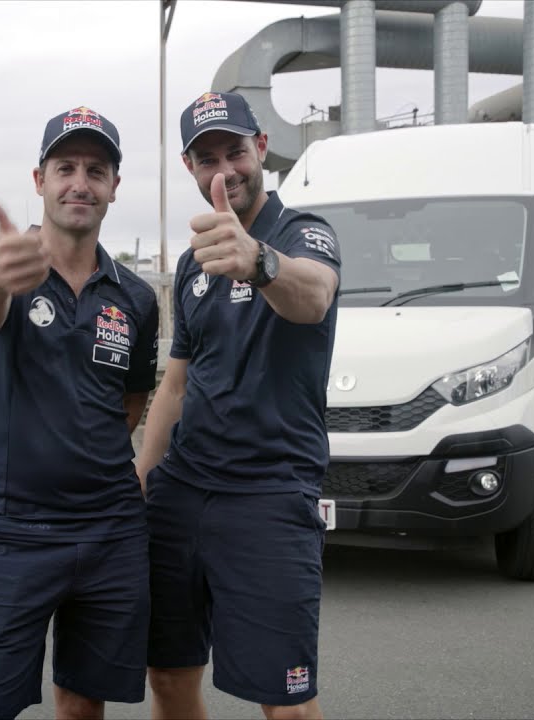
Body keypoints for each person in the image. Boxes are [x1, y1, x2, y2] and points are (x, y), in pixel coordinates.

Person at [136, 91, 342, 720]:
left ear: (261, 148)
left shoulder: (304, 234)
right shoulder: (195, 267)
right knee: (169, 677)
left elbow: (313, 297)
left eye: (235, 151)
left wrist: (259, 261)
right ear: (188, 167)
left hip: (270, 496)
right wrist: (142, 481)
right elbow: (174, 386)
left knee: (287, 703)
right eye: (206, 159)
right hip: (183, 492)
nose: (224, 170)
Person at [0, 105, 160, 720]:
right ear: (39, 180)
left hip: (113, 531)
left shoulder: (137, 297)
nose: (80, 183)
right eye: (64, 167)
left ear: (114, 188)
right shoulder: (3, 277)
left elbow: (132, 397)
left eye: (96, 171)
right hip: (16, 531)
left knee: (82, 700)